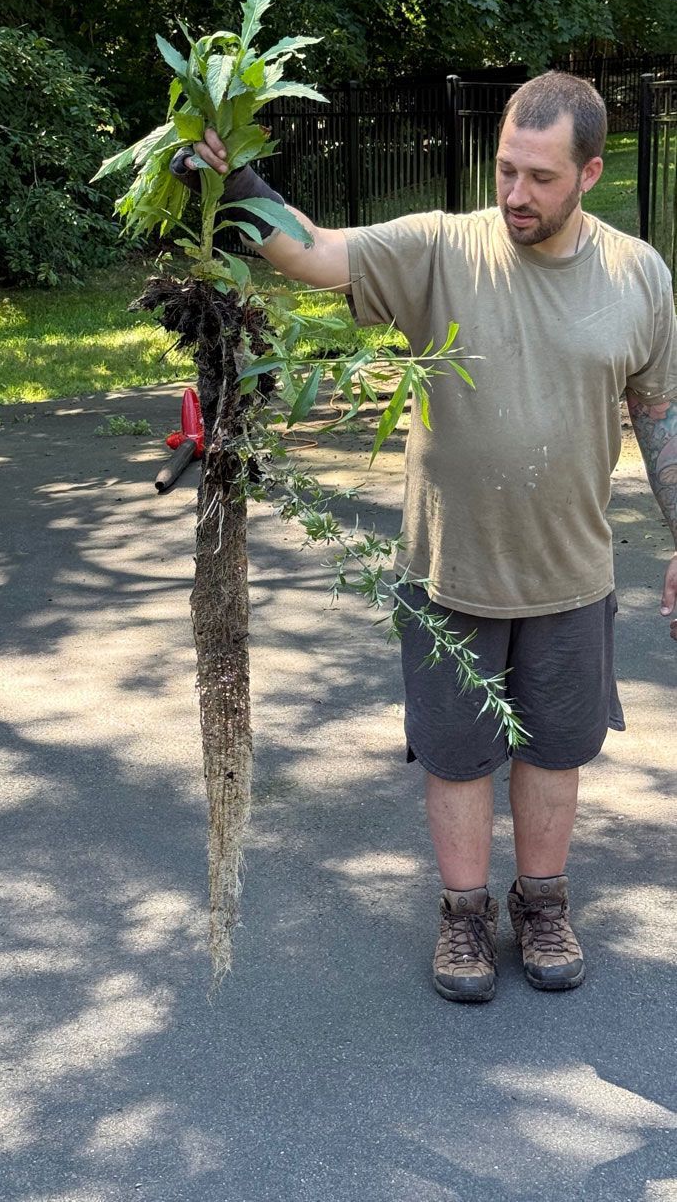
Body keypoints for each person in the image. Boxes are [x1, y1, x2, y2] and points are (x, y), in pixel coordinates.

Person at [172, 71, 677, 1003]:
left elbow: (657, 411)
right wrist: (237, 187)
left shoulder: (637, 273)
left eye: (539, 177)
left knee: (553, 749)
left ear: (590, 173)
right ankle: (461, 915)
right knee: (454, 752)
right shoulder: (441, 247)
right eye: (503, 170)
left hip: (571, 567)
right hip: (451, 567)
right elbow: (319, 253)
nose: (515, 194)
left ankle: (543, 901)